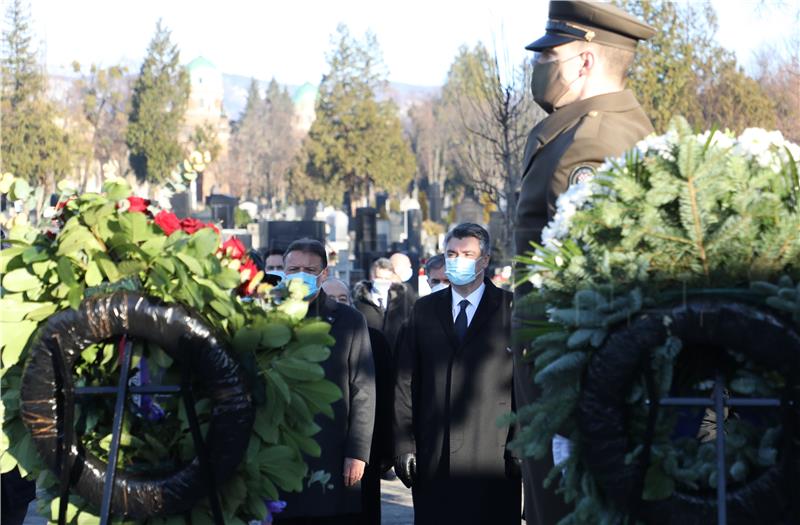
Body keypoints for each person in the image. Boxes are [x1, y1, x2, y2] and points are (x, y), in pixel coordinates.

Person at [512, 2, 656, 523]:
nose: (540, 63)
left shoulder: (592, 143)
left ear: (585, 61)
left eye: (552, 52)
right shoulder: (577, 131)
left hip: (570, 392)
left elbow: (597, 290)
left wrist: (577, 419)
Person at [393, 223, 520, 525]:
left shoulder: (510, 308)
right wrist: (403, 444)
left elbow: (524, 384)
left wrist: (521, 444)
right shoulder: (424, 310)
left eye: (467, 253)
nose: (457, 260)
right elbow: (403, 381)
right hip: (436, 454)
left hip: (493, 455)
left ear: (485, 260)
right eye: (451, 253)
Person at [275, 239, 375, 525]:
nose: (300, 274)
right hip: (278, 446)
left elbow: (363, 390)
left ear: (324, 275)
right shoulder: (265, 315)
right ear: (283, 271)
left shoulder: (349, 320)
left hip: (330, 447)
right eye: (293, 268)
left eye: (309, 269)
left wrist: (357, 453)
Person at [321, 277, 393, 525]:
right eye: (331, 299)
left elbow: (381, 397)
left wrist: (384, 451)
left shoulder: (373, 339)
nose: (338, 304)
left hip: (363, 449)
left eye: (343, 299)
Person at [352, 257, 415, 350]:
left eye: (386, 278)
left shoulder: (401, 298)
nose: (382, 281)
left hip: (396, 353)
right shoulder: (359, 300)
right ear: (371, 277)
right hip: (369, 353)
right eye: (379, 277)